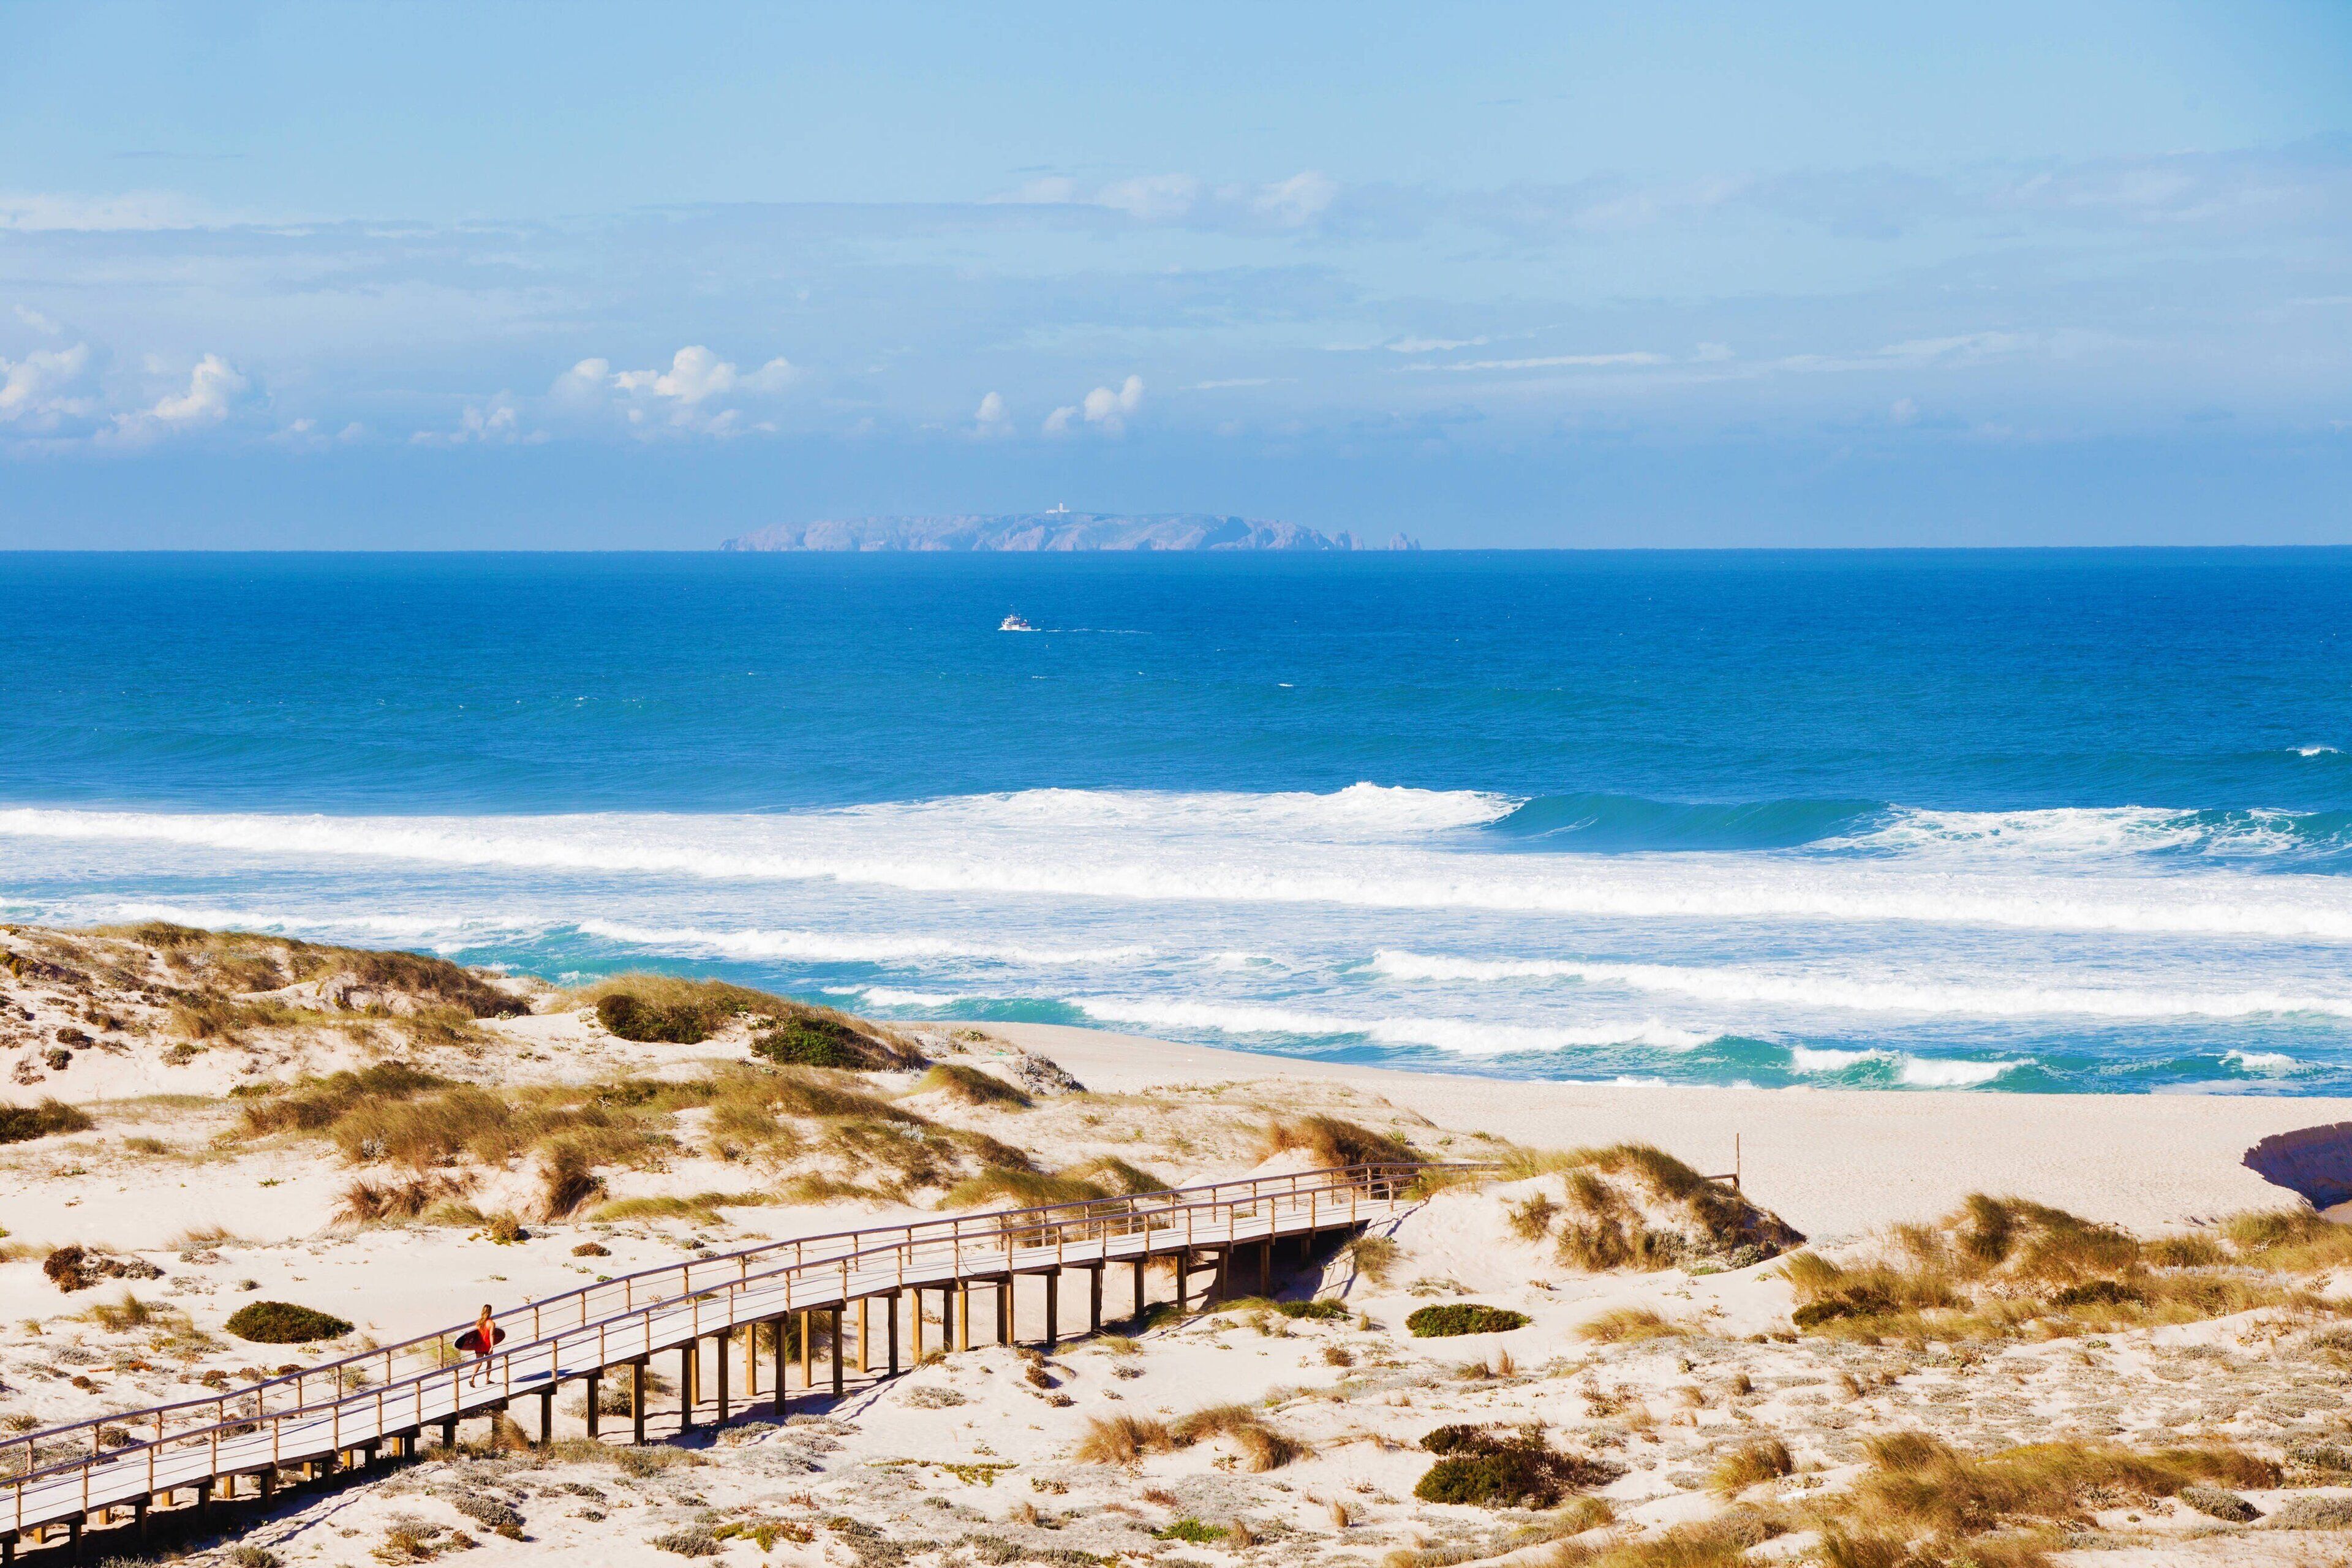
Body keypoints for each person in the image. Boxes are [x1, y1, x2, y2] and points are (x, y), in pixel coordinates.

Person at [465, 1303, 497, 1387]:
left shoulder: (478, 1323)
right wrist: (492, 1346)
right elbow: (492, 1335)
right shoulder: (492, 1323)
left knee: (479, 1363)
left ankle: (472, 1378)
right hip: (488, 1345)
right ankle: (487, 1380)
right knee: (489, 1363)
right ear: (490, 1312)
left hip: (479, 1345)